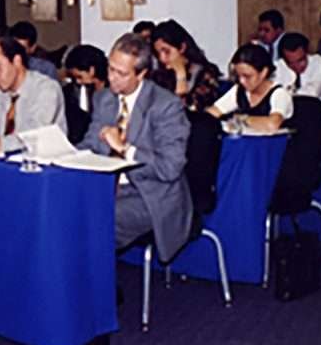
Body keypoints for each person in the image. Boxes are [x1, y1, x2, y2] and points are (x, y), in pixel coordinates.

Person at [80, 33, 192, 263]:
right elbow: (91, 144)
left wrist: (125, 149)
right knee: (60, 209)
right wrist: (65, 154)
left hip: (150, 194)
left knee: (95, 221)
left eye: (121, 73)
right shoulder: (104, 99)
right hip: (107, 186)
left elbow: (169, 168)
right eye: (110, 69)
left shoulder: (165, 106)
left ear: (141, 74)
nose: (112, 78)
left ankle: (94, 291)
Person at [208, 43, 294, 132]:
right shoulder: (239, 90)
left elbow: (272, 125)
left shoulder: (280, 94)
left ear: (264, 72)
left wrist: (241, 119)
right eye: (239, 76)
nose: (242, 81)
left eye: (247, 76)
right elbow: (214, 112)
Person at [149, 19, 221, 111]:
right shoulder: (159, 76)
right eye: (158, 53)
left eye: (166, 51)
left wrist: (180, 75)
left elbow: (185, 112)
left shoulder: (206, 75)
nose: (162, 58)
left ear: (182, 48)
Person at [62, 44, 108, 144]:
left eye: (79, 76)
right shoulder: (71, 92)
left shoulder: (113, 91)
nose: (77, 81)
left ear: (91, 70)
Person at [275, 32, 321, 104]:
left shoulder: (320, 63)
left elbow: (312, 93)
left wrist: (286, 93)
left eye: (300, 60)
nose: (297, 66)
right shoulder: (278, 66)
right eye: (290, 63)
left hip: (318, 109)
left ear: (307, 52)